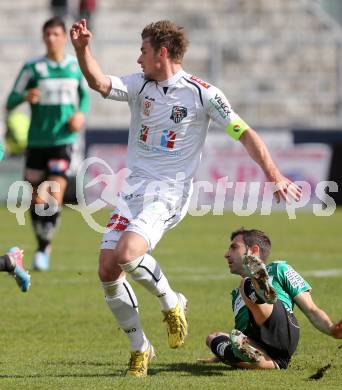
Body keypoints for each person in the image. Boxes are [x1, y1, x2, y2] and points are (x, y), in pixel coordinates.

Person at [69, 18, 302, 377]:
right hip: (133, 190)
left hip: (169, 191)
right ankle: (140, 348)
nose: (138, 59)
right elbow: (99, 82)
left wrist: (275, 176)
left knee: (128, 254)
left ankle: (171, 301)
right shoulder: (140, 85)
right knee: (107, 270)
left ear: (162, 52)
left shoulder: (203, 93)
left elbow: (244, 132)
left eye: (143, 51)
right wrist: (83, 49)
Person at [6, 16, 90, 271]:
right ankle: (43, 243)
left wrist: (80, 114)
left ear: (64, 37)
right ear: (43, 38)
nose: (51, 39)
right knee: (37, 200)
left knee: (54, 193)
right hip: (36, 141)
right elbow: (10, 101)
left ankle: (44, 247)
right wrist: (24, 96)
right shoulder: (33, 68)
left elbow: (85, 97)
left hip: (63, 140)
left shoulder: (75, 68)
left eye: (56, 34)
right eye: (47, 35)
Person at [203, 228, 342, 369]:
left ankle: (263, 290)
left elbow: (311, 309)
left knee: (246, 284)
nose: (227, 254)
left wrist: (331, 329)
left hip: (281, 325)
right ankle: (257, 360)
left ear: (253, 251)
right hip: (269, 351)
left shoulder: (279, 269)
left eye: (234, 247)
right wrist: (223, 354)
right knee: (212, 338)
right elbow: (241, 335)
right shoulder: (236, 296)